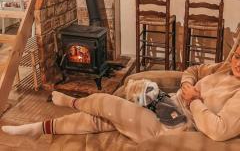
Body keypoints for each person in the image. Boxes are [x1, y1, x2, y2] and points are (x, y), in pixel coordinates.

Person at [2, 45, 240, 143]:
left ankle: (72, 102)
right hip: (169, 103)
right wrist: (188, 85)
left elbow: (220, 131)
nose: (237, 63)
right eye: (237, 56)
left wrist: (194, 101)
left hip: (179, 125)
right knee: (105, 116)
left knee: (108, 104)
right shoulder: (224, 68)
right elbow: (193, 70)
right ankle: (40, 128)